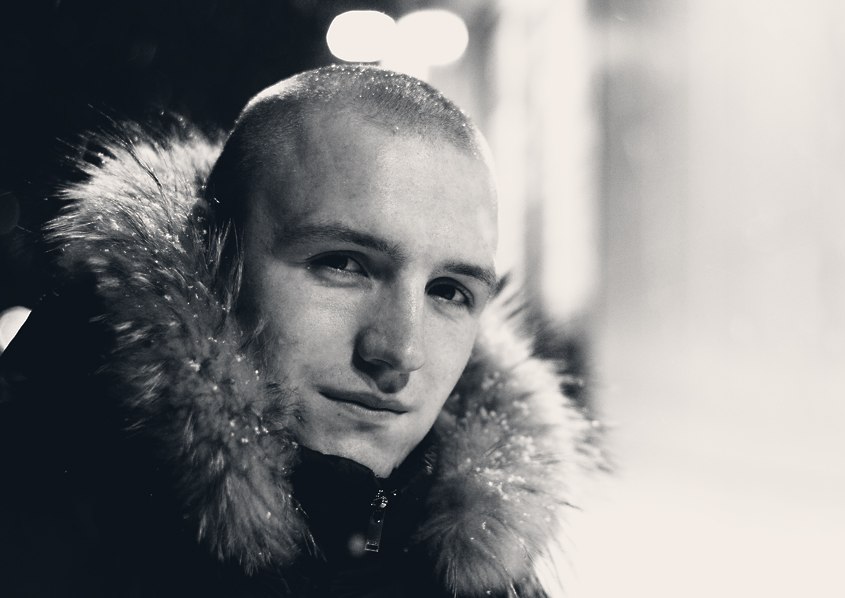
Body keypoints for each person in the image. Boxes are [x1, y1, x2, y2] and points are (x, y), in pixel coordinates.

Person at [0, 64, 602, 597]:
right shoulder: (36, 529)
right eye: (343, 264)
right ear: (212, 256)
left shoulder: (482, 572)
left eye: (448, 292)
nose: (400, 351)